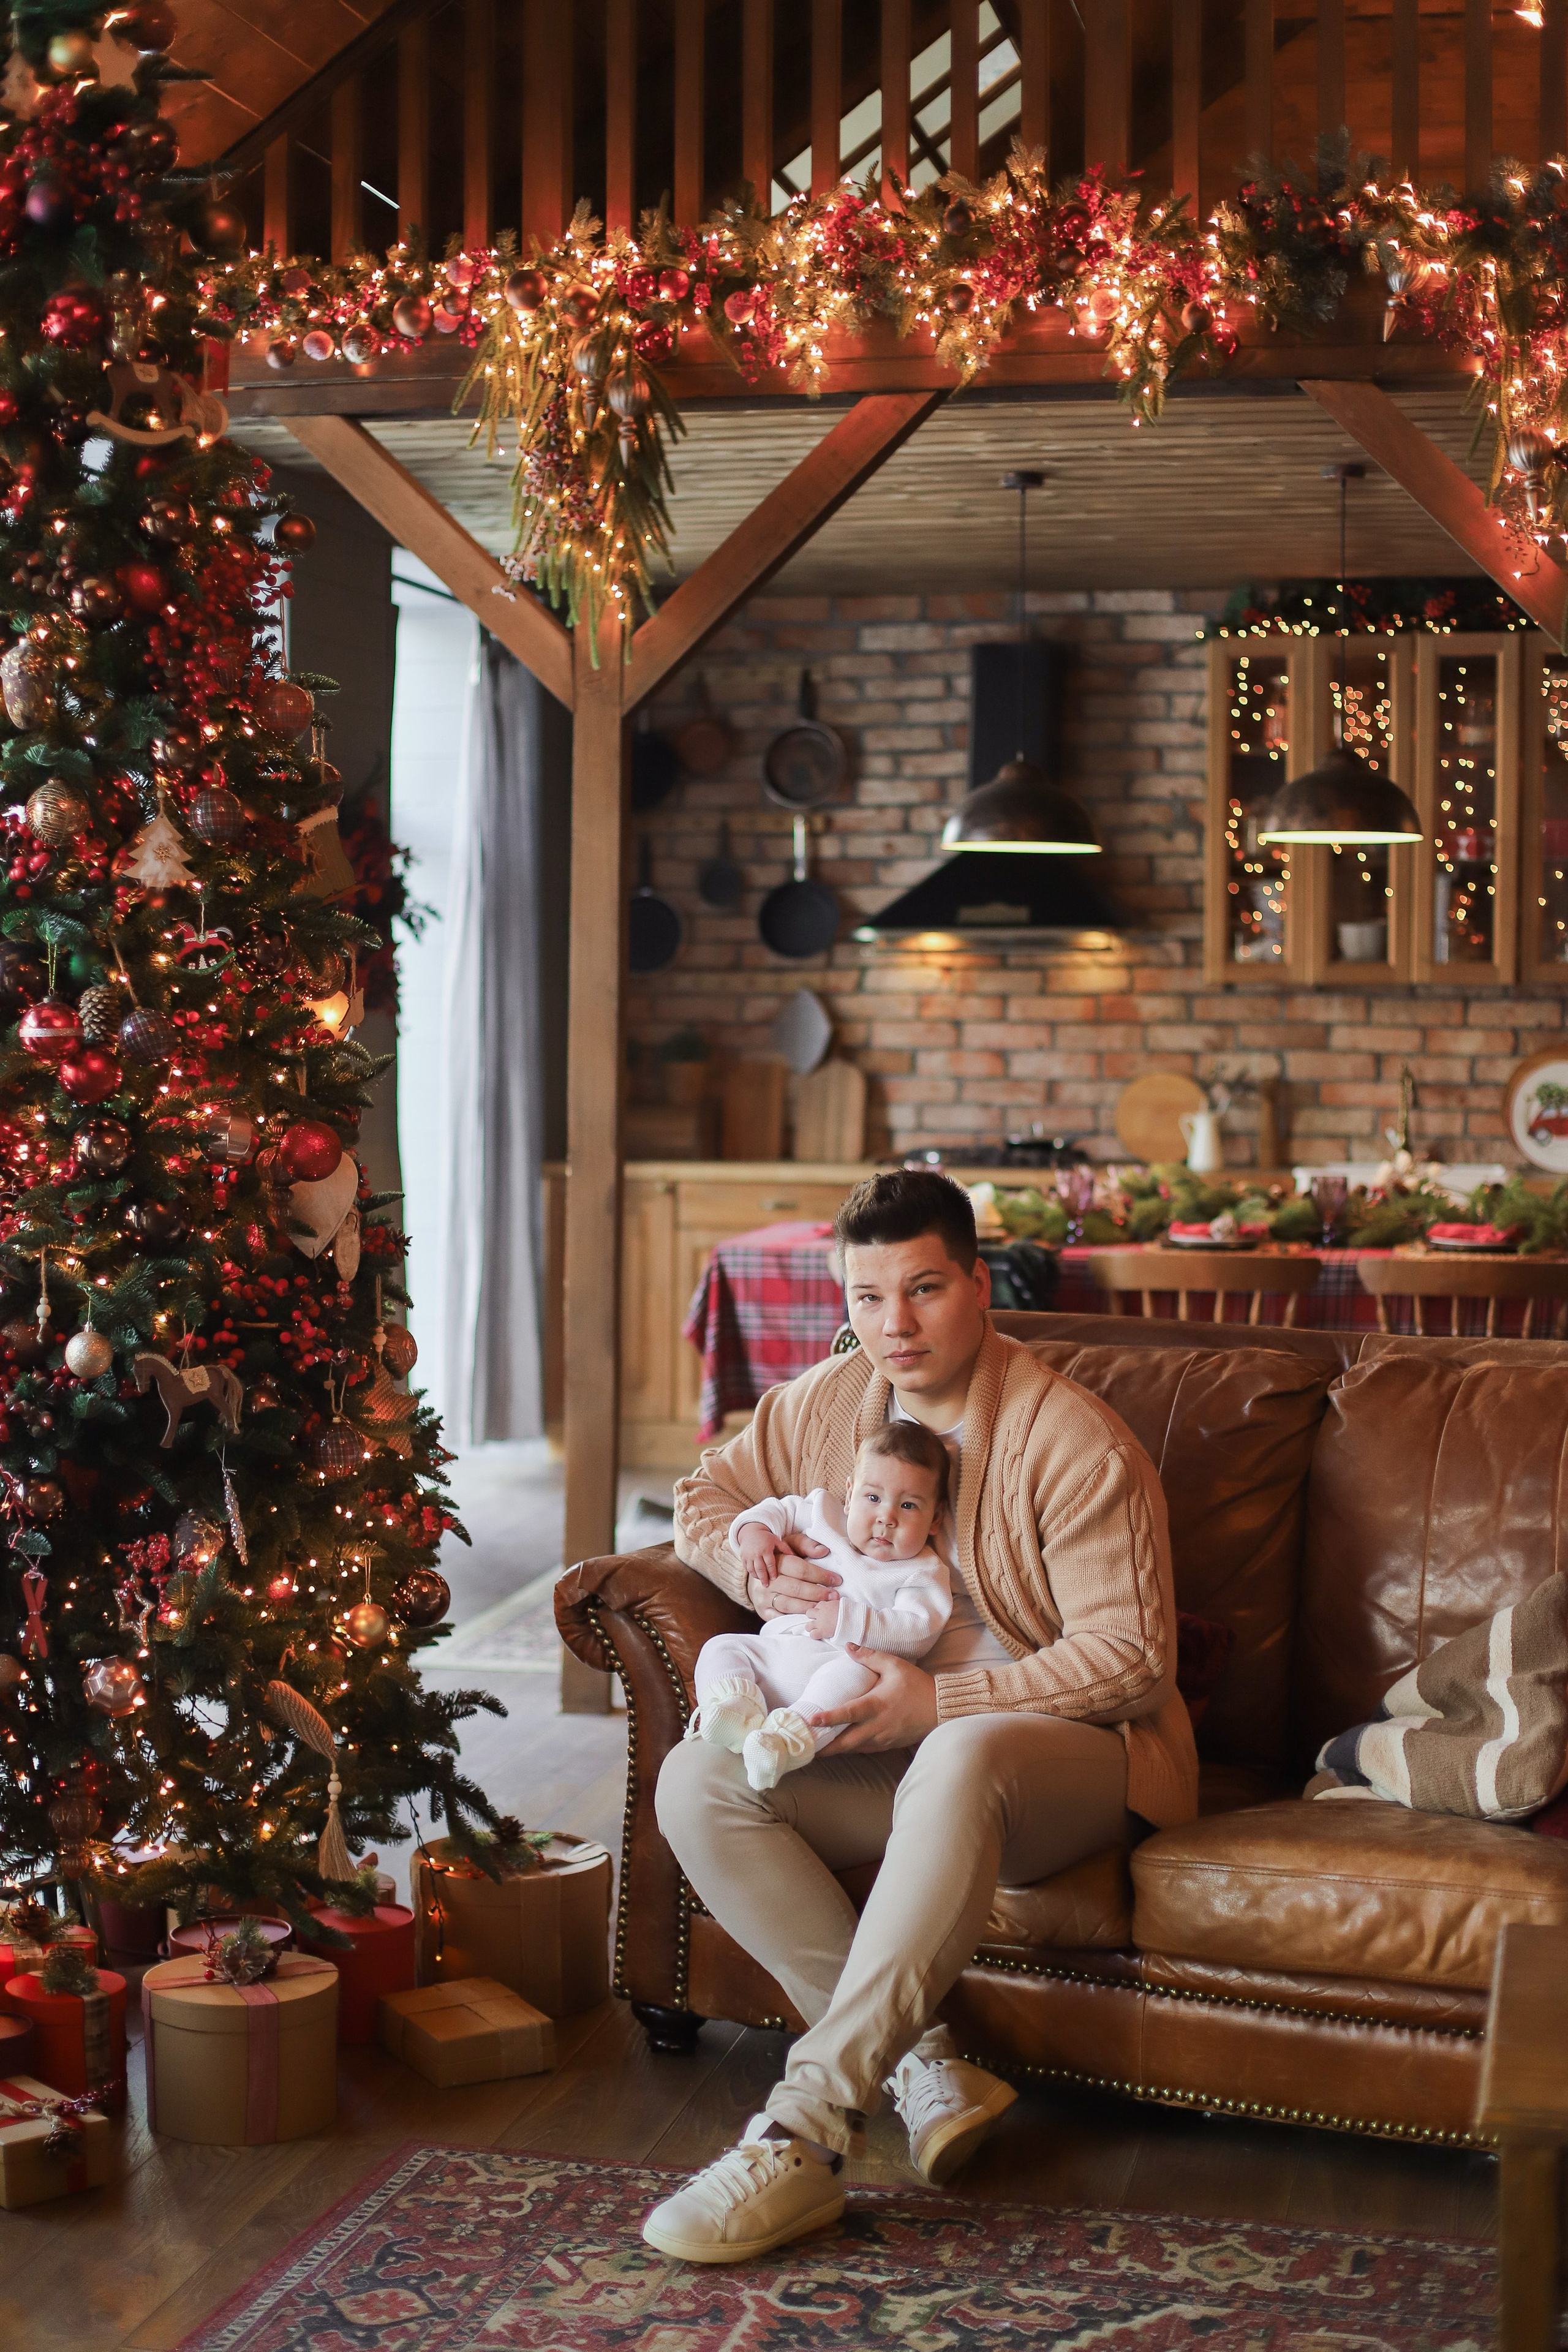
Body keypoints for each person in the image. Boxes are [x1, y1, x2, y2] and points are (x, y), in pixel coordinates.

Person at [640, 1166, 1197, 2267]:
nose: (894, 1325)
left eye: (925, 1290)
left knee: (963, 1750)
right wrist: (747, 1561)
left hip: (1080, 1759)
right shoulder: (826, 1407)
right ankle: (921, 2066)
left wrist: (944, 1700)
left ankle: (802, 2130)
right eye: (866, 1297)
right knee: (700, 1779)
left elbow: (1133, 1659)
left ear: (979, 1288)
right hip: (893, 1744)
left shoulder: (1070, 1440)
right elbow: (704, 1495)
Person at [689, 1420, 952, 1790]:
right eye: (873, 1498)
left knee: (857, 1676)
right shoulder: (821, 1513)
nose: (886, 1518)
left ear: (935, 1518)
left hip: (838, 1665)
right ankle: (735, 1710)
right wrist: (755, 1535)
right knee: (722, 1647)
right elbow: (775, 1511)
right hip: (777, 1651)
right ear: (850, 1492)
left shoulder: (921, 1571)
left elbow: (917, 1630)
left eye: (908, 1505)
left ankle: (785, 1740)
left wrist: (849, 1620)